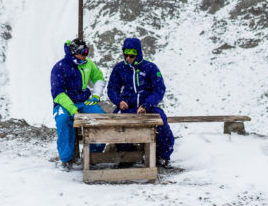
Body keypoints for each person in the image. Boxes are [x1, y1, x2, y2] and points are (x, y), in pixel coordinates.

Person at [107, 37, 175, 166]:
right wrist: (119, 101)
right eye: (126, 54)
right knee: (119, 124)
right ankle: (127, 156)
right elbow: (112, 89)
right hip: (127, 107)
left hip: (147, 107)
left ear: (138, 53)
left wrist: (147, 104)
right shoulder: (119, 68)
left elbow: (159, 89)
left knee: (162, 122)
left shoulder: (150, 68)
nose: (128, 58)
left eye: (131, 55)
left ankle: (162, 155)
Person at [50, 37, 107, 166]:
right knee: (63, 120)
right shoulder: (59, 67)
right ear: (74, 53)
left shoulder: (88, 64)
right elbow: (58, 94)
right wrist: (72, 110)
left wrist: (96, 96)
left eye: (87, 51)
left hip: (83, 101)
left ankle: (92, 155)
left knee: (101, 118)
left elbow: (98, 77)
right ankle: (66, 159)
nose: (86, 55)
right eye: (83, 52)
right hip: (64, 103)